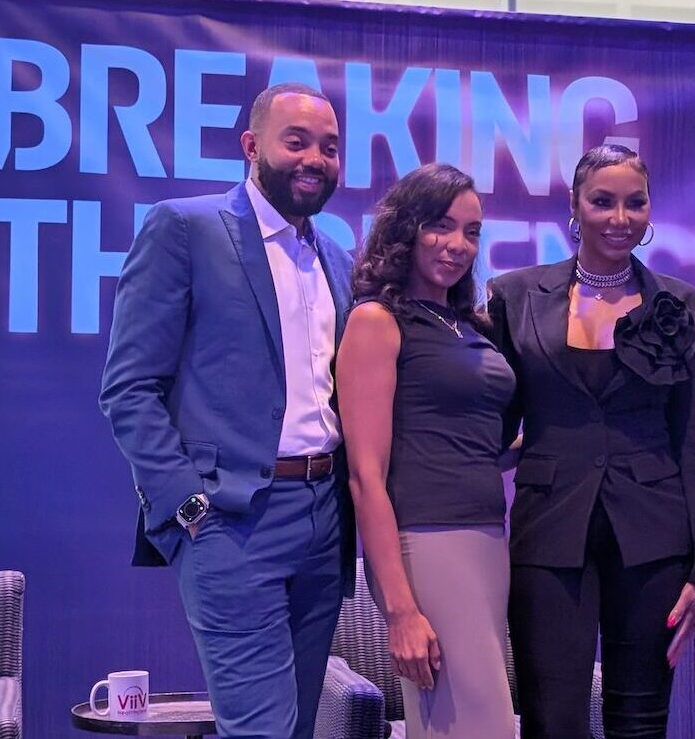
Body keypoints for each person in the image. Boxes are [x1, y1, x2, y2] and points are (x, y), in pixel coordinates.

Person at [99, 82, 354, 739]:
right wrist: (188, 508)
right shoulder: (186, 228)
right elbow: (129, 387)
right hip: (230, 519)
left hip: (325, 519)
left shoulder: (338, 258)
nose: (315, 158)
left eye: (329, 147)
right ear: (251, 145)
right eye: (296, 141)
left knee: (298, 728)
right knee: (262, 729)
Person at [487, 144, 695, 738]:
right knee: (552, 718)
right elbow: (495, 417)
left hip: (654, 535)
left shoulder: (688, 309)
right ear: (574, 206)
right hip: (548, 528)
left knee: (640, 720)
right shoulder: (513, 296)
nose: (620, 218)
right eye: (603, 202)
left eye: (634, 203)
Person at [336, 163, 516, 738]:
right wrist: (400, 611)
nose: (458, 244)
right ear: (406, 228)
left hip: (488, 542)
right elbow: (365, 477)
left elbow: (473, 443)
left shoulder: (468, 326)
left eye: (471, 232)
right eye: (441, 225)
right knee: (479, 728)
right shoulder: (377, 321)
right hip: (429, 545)